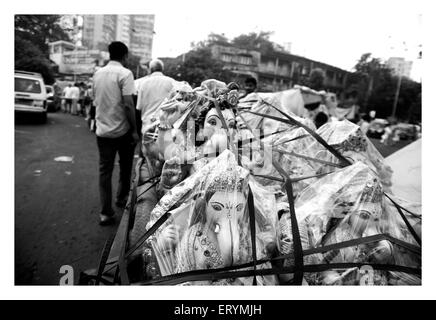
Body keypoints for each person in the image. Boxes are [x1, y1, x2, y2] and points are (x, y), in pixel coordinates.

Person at [93, 41, 139, 225]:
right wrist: (135, 130)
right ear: (125, 56)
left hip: (102, 131)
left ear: (109, 54)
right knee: (125, 167)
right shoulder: (125, 73)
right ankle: (121, 199)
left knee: (105, 171)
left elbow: (95, 100)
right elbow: (128, 104)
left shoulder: (97, 74)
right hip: (122, 132)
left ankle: (105, 212)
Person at [136, 59, 176, 136]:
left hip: (147, 126)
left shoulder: (143, 84)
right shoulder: (171, 82)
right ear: (162, 69)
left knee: (147, 147)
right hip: (165, 127)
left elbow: (139, 107)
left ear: (150, 69)